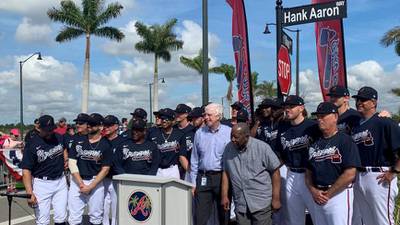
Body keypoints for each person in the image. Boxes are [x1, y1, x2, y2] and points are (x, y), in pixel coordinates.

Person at [305, 102, 361, 225]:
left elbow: (350, 173)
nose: (319, 119)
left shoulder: (345, 140)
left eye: (323, 116)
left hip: (338, 195)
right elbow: (308, 172)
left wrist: (328, 194)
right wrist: (313, 190)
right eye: (318, 116)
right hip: (318, 195)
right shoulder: (315, 144)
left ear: (335, 117)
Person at [351, 86, 400, 225]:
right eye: (358, 99)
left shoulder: (385, 122)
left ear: (374, 102)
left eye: (364, 100)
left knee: (383, 221)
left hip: (379, 175)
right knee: (367, 221)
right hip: (360, 176)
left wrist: (394, 171)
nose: (359, 102)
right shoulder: (356, 126)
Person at [221, 123, 281, 225]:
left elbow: (275, 172)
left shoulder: (262, 148)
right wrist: (224, 195)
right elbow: (226, 172)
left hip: (261, 202)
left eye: (236, 137)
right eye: (231, 136)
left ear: (246, 136)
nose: (232, 140)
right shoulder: (228, 148)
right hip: (240, 203)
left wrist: (276, 198)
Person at [276, 95, 320, 225]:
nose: (287, 109)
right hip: (291, 174)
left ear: (301, 108)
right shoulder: (283, 128)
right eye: (286, 107)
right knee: (294, 218)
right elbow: (280, 154)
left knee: (317, 216)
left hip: (310, 176)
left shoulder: (313, 126)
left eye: (291, 107)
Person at [21, 115, 68, 225]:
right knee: (43, 220)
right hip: (42, 184)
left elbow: (64, 147)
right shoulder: (32, 144)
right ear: (39, 128)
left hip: (60, 181)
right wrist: (29, 192)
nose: (50, 132)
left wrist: (65, 158)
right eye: (47, 130)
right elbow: (26, 170)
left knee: (61, 218)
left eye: (51, 129)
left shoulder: (59, 137)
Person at [68, 113, 112, 225]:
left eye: (93, 124)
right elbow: (72, 163)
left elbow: (105, 169)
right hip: (77, 181)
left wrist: (90, 186)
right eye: (89, 124)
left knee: (96, 217)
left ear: (100, 127)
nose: (89, 126)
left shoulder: (106, 144)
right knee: (74, 218)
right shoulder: (78, 140)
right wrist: (81, 184)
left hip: (95, 182)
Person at [191, 103, 231, 225]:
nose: (206, 117)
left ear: (218, 116)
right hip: (203, 178)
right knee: (200, 216)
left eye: (209, 115)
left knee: (223, 214)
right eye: (205, 115)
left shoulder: (229, 132)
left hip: (222, 178)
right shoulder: (199, 133)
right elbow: (194, 159)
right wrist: (193, 183)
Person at [147, 108, 189, 178]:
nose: (164, 121)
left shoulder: (180, 134)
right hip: (158, 169)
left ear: (172, 120)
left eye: (167, 119)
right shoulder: (153, 134)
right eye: (162, 118)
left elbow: (182, 156)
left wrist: (190, 171)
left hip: (173, 169)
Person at [102, 115, 126, 225]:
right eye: (104, 125)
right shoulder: (101, 141)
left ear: (116, 126)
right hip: (103, 178)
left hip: (117, 178)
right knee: (103, 206)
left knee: (117, 207)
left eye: (109, 125)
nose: (105, 127)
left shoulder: (123, 141)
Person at [174, 103, 196, 179]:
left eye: (180, 113)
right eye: (176, 112)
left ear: (186, 114)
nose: (177, 114)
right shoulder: (173, 129)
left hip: (187, 167)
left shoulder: (193, 130)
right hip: (174, 167)